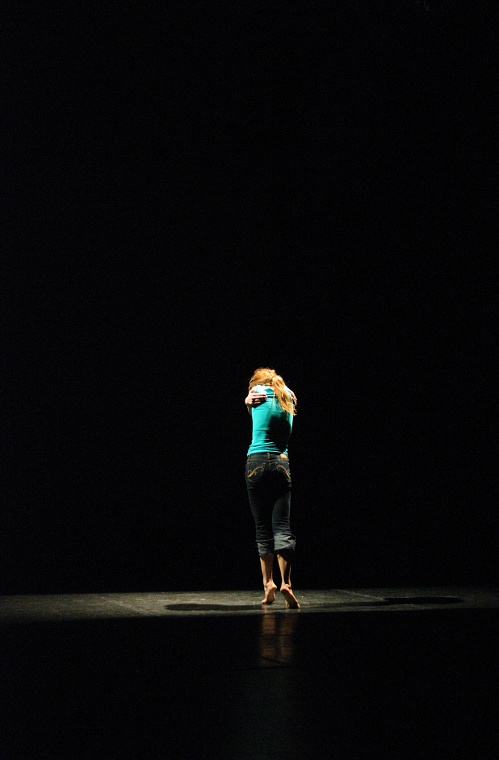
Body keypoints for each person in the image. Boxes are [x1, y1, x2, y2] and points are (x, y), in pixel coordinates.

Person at [244, 368, 300, 609]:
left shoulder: (256, 393)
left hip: (256, 462)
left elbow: (252, 405)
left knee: (262, 527)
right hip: (280, 463)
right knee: (282, 525)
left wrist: (247, 399)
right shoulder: (288, 396)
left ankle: (268, 584)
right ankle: (286, 583)